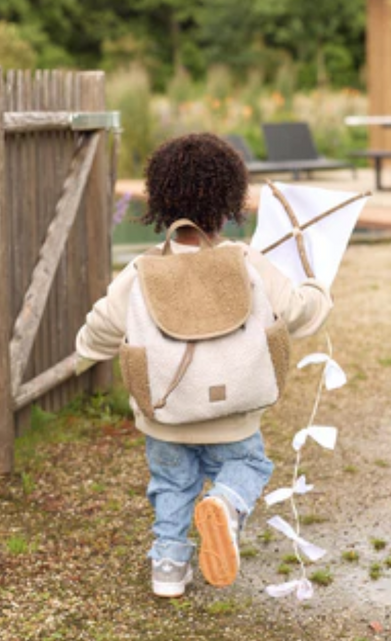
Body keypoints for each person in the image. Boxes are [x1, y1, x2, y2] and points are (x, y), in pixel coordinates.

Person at [75, 132, 332, 598]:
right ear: (229, 201)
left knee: (171, 485)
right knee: (249, 465)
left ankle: (169, 566)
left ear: (161, 200)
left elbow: (103, 325)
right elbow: (298, 313)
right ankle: (225, 504)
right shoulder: (246, 262)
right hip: (234, 415)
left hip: (167, 414)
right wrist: (318, 290)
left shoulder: (142, 271)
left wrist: (84, 351)